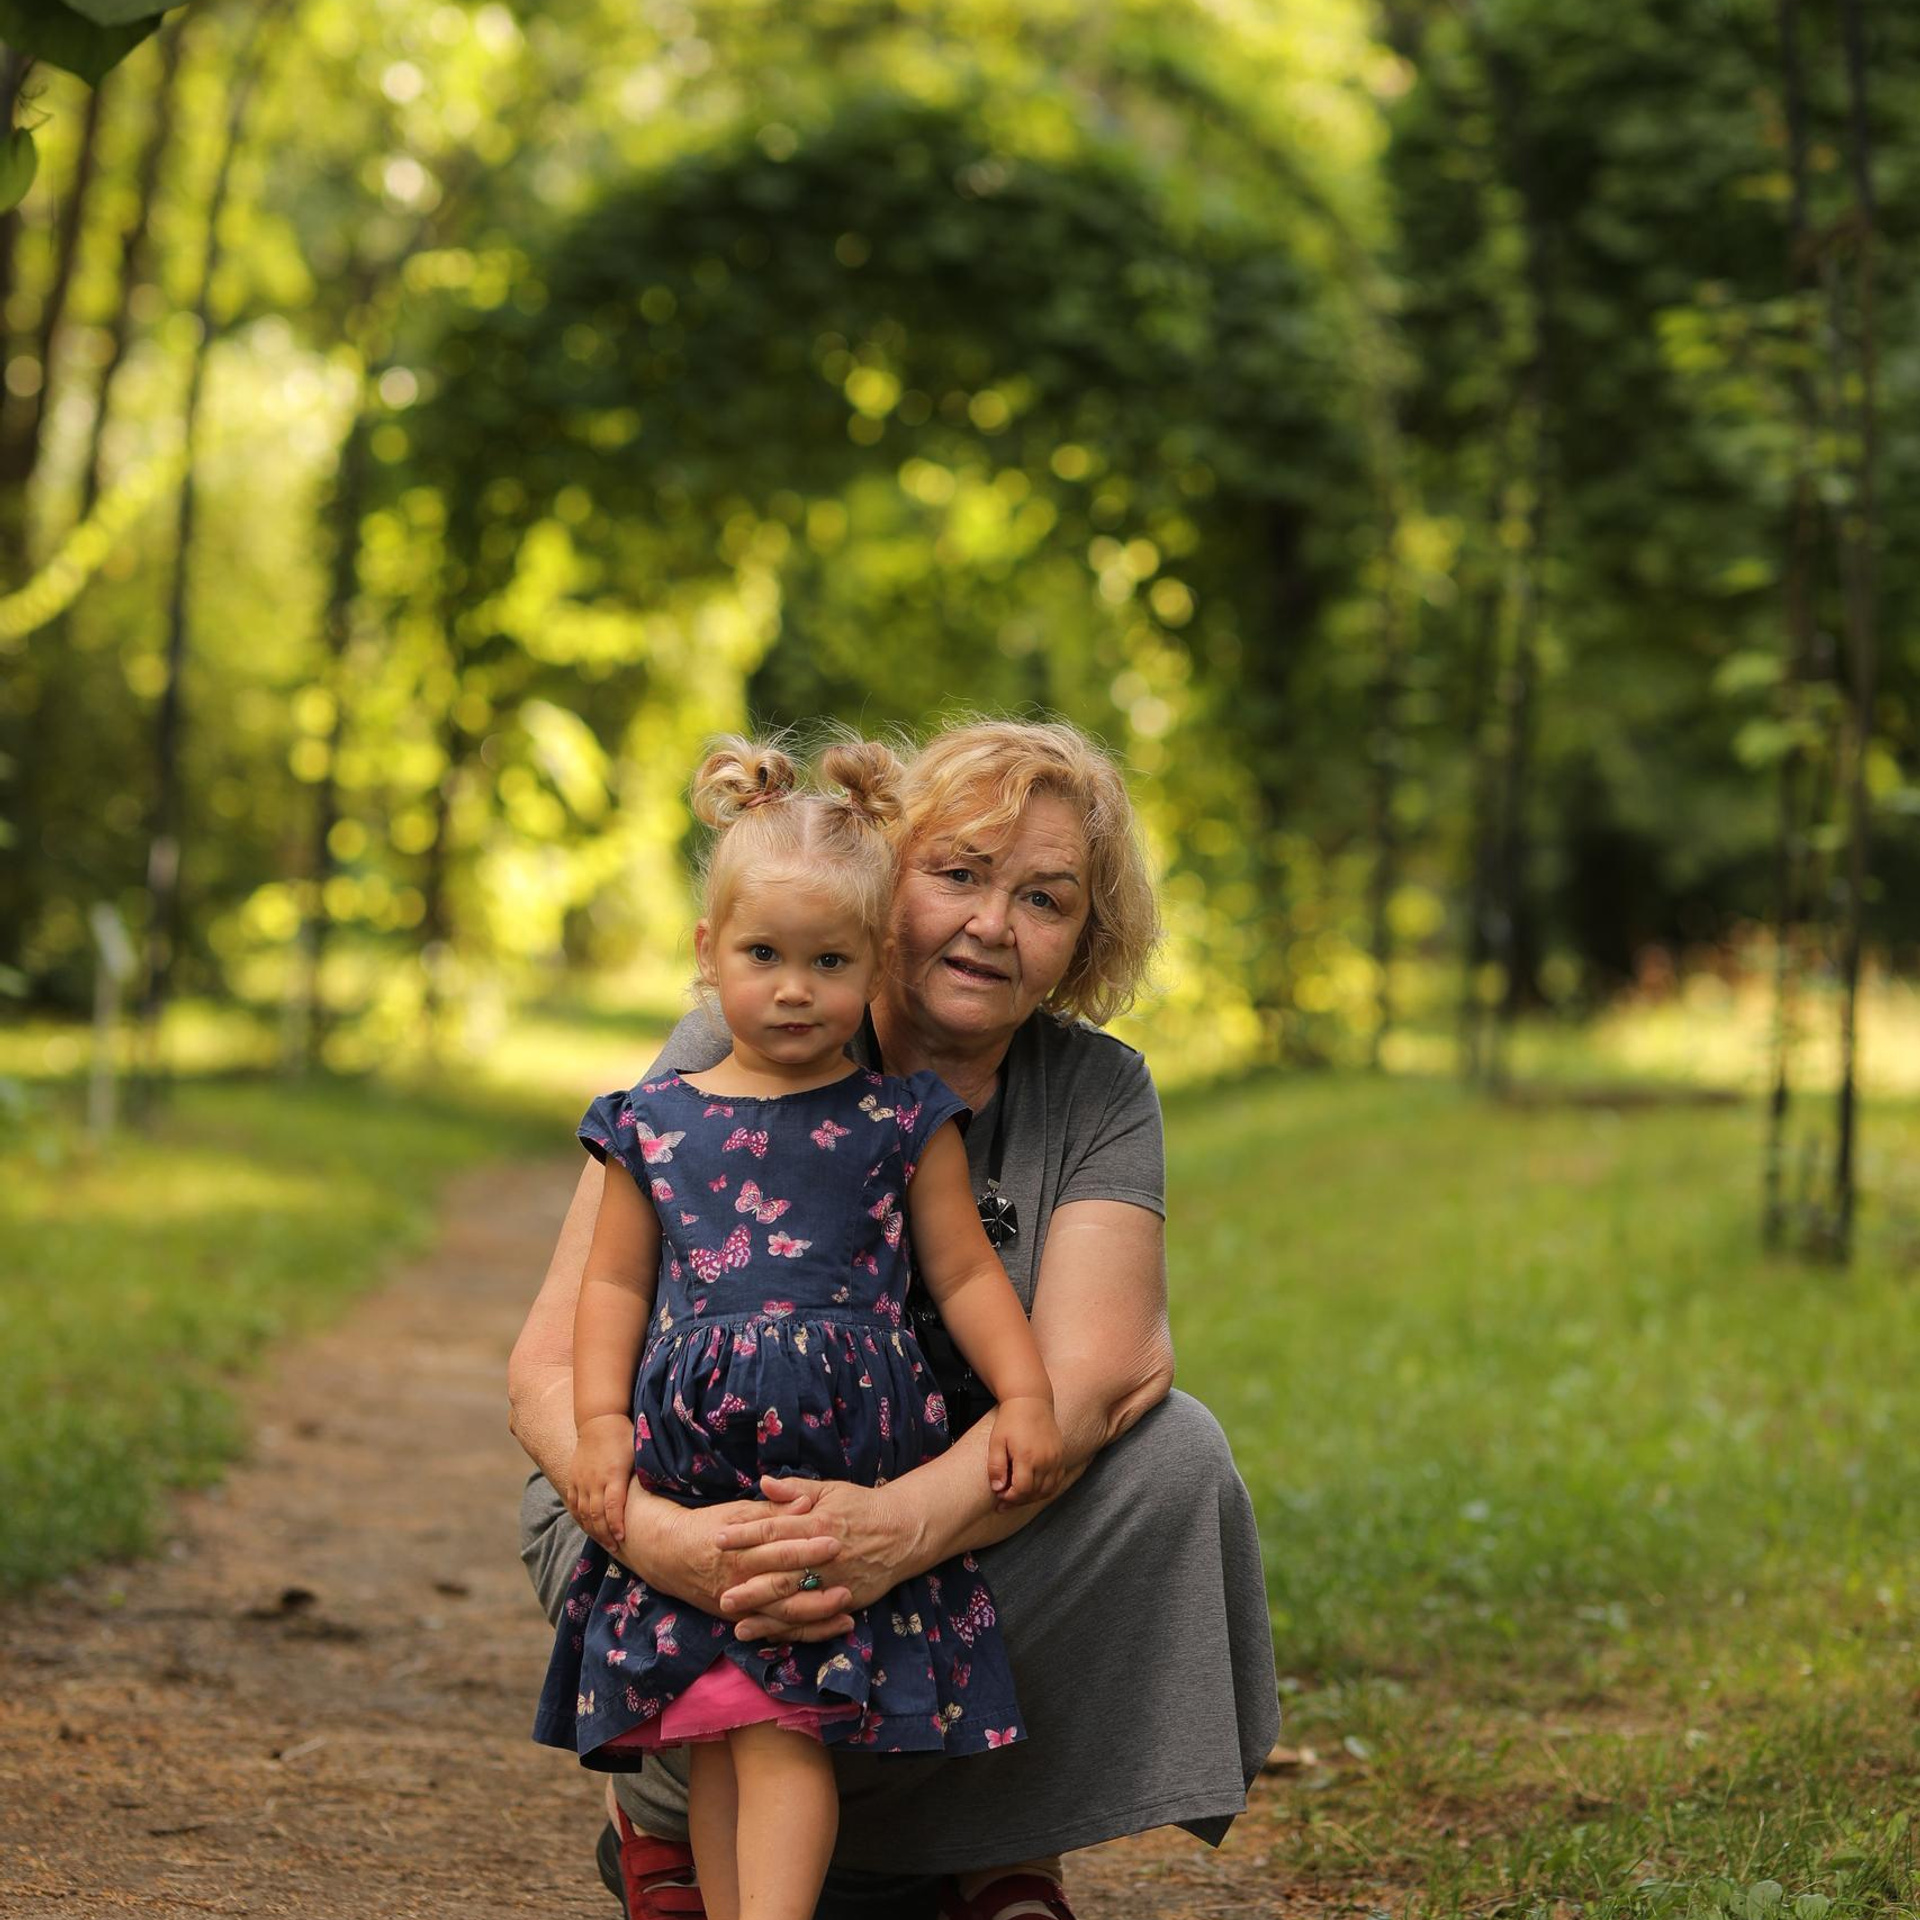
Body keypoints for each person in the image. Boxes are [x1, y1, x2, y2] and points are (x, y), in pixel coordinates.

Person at [511, 716, 1279, 1920]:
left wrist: (890, 1529)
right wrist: (665, 1538)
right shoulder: (758, 1026)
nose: (990, 923)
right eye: (959, 874)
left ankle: (995, 1848)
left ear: (1084, 939)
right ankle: (672, 1821)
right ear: (884, 884)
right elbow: (553, 1357)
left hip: (923, 1538)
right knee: (639, 1515)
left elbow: (1098, 1375)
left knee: (1173, 1457)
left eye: (1045, 899)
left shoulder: (1096, 1090)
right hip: (701, 1510)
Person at [534, 735, 1065, 1920]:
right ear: (706, 954)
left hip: (837, 1462)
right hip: (699, 1462)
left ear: (876, 964)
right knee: (728, 1722)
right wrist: (599, 1429)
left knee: (778, 1726)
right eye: (763, 955)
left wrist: (1026, 1397)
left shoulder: (900, 1118)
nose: (791, 988)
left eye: (828, 962)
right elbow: (612, 1293)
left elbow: (969, 1275)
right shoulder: (651, 1124)